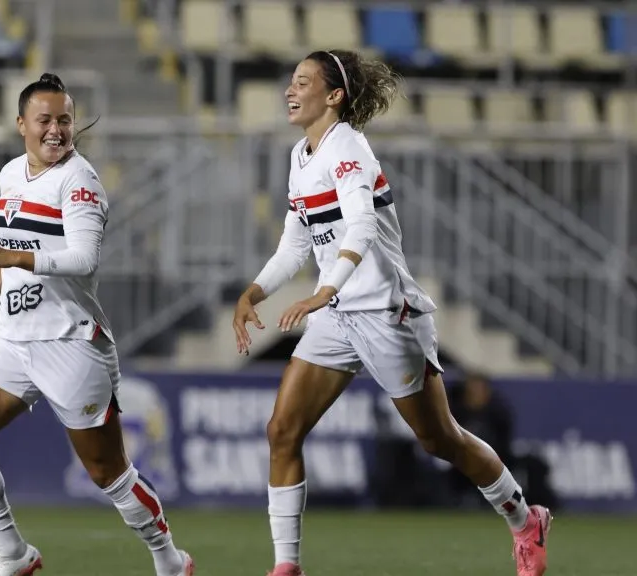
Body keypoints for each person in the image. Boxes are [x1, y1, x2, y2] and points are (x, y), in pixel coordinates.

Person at [231, 51, 552, 576]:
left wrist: (323, 289)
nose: (290, 90)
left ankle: (524, 518)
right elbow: (295, 243)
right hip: (337, 314)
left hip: (385, 310)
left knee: (439, 438)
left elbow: (360, 225)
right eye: (291, 81)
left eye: (303, 82)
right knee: (282, 431)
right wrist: (255, 291)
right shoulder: (300, 155)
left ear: (334, 96)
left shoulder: (349, 148)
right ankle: (286, 567)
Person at [0, 72, 195, 576]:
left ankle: (170, 560)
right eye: (45, 120)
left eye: (65, 120)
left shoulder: (80, 181)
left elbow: (83, 259)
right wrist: (1, 270)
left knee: (108, 473)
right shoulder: (11, 173)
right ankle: (14, 554)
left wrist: (9, 258)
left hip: (71, 341)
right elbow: (22, 235)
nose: (56, 130)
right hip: (14, 337)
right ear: (21, 124)